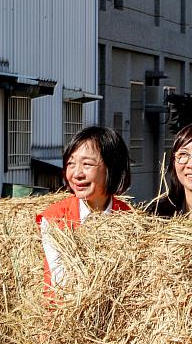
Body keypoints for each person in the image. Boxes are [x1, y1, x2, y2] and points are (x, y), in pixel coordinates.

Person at [37, 126, 132, 297]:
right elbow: (62, 284)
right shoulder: (55, 218)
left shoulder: (130, 219)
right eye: (71, 164)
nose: (76, 174)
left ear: (112, 167)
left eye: (87, 164)